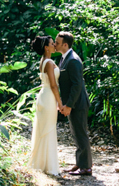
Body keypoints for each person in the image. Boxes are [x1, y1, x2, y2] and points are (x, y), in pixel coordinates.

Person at [56, 31, 93, 176]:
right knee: (76, 133)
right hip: (73, 103)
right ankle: (80, 163)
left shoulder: (73, 60)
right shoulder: (64, 58)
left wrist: (69, 105)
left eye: (57, 43)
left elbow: (77, 85)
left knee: (81, 133)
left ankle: (86, 168)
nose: (55, 44)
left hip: (78, 104)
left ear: (65, 45)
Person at [28, 35, 63, 175]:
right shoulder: (48, 62)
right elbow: (54, 85)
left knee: (45, 129)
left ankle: (42, 162)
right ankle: (48, 165)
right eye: (51, 43)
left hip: (44, 95)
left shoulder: (44, 60)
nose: (54, 44)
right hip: (48, 97)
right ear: (46, 47)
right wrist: (60, 103)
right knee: (48, 129)